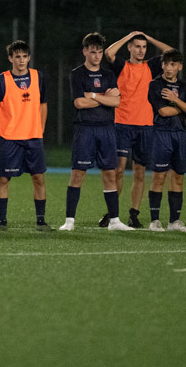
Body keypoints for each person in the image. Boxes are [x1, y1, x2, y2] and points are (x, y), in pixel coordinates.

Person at [59, 33, 134, 232]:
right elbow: (79, 103)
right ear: (85, 51)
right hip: (85, 129)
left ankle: (115, 221)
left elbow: (116, 101)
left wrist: (92, 95)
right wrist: (103, 97)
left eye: (100, 52)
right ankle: (69, 221)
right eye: (93, 52)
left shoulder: (108, 75)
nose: (97, 56)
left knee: (110, 173)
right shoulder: (77, 74)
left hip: (107, 129)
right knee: (78, 174)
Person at [105, 31, 174, 227]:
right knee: (118, 170)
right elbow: (109, 53)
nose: (141, 50)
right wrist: (129, 36)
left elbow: (170, 52)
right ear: (130, 47)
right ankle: (113, 214)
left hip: (145, 126)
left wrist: (148, 37)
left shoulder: (150, 67)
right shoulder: (122, 66)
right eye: (137, 46)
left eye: (144, 47)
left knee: (139, 172)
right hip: (122, 124)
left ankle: (133, 214)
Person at [0, 40, 50, 231]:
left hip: (33, 137)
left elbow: (43, 104)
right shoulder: (1, 79)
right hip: (9, 138)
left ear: (29, 58)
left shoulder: (38, 76)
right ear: (10, 59)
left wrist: (40, 129)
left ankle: (41, 221)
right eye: (17, 57)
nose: (21, 60)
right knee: (4, 179)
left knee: (38, 178)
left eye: (24, 56)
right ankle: (2, 221)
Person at [147, 49, 186, 232]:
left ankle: (174, 222)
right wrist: (183, 106)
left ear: (179, 67)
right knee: (159, 177)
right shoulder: (155, 85)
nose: (169, 68)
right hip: (162, 133)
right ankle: (154, 221)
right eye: (166, 64)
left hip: (181, 134)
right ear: (162, 65)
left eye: (173, 64)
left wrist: (175, 100)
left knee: (178, 177)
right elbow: (163, 111)